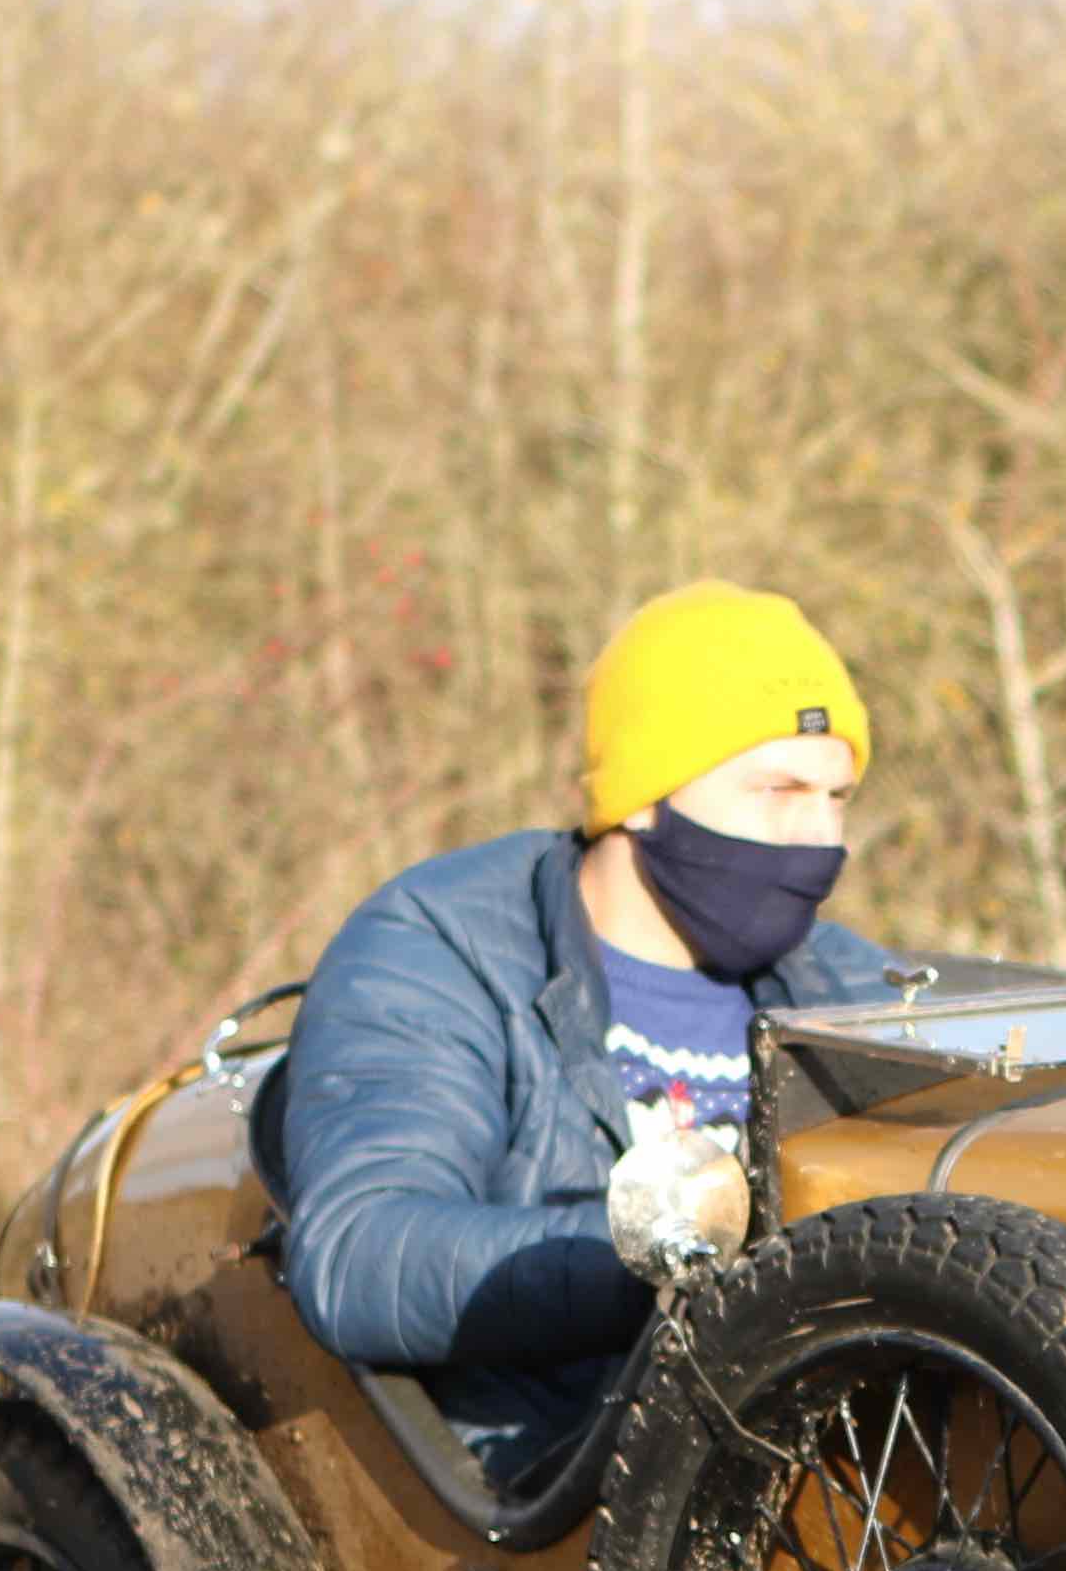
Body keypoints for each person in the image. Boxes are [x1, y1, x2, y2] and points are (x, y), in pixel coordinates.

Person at [273, 582, 898, 1481]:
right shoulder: (440, 949)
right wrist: (673, 1260)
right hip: (545, 1489)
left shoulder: (845, 985)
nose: (819, 839)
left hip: (822, 1474)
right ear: (645, 798)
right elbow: (360, 1253)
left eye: (838, 798)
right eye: (780, 791)